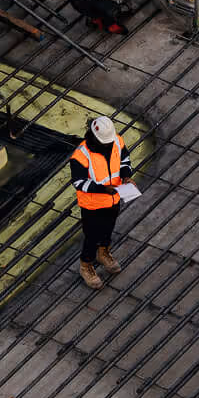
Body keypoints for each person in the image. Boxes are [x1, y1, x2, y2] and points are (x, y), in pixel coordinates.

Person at [70, 115, 133, 288]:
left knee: (108, 229)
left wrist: (126, 176)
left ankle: (103, 253)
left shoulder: (116, 141)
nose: (109, 144)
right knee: (92, 236)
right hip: (92, 205)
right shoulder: (81, 155)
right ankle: (86, 265)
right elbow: (78, 182)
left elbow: (125, 160)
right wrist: (102, 189)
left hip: (113, 198)